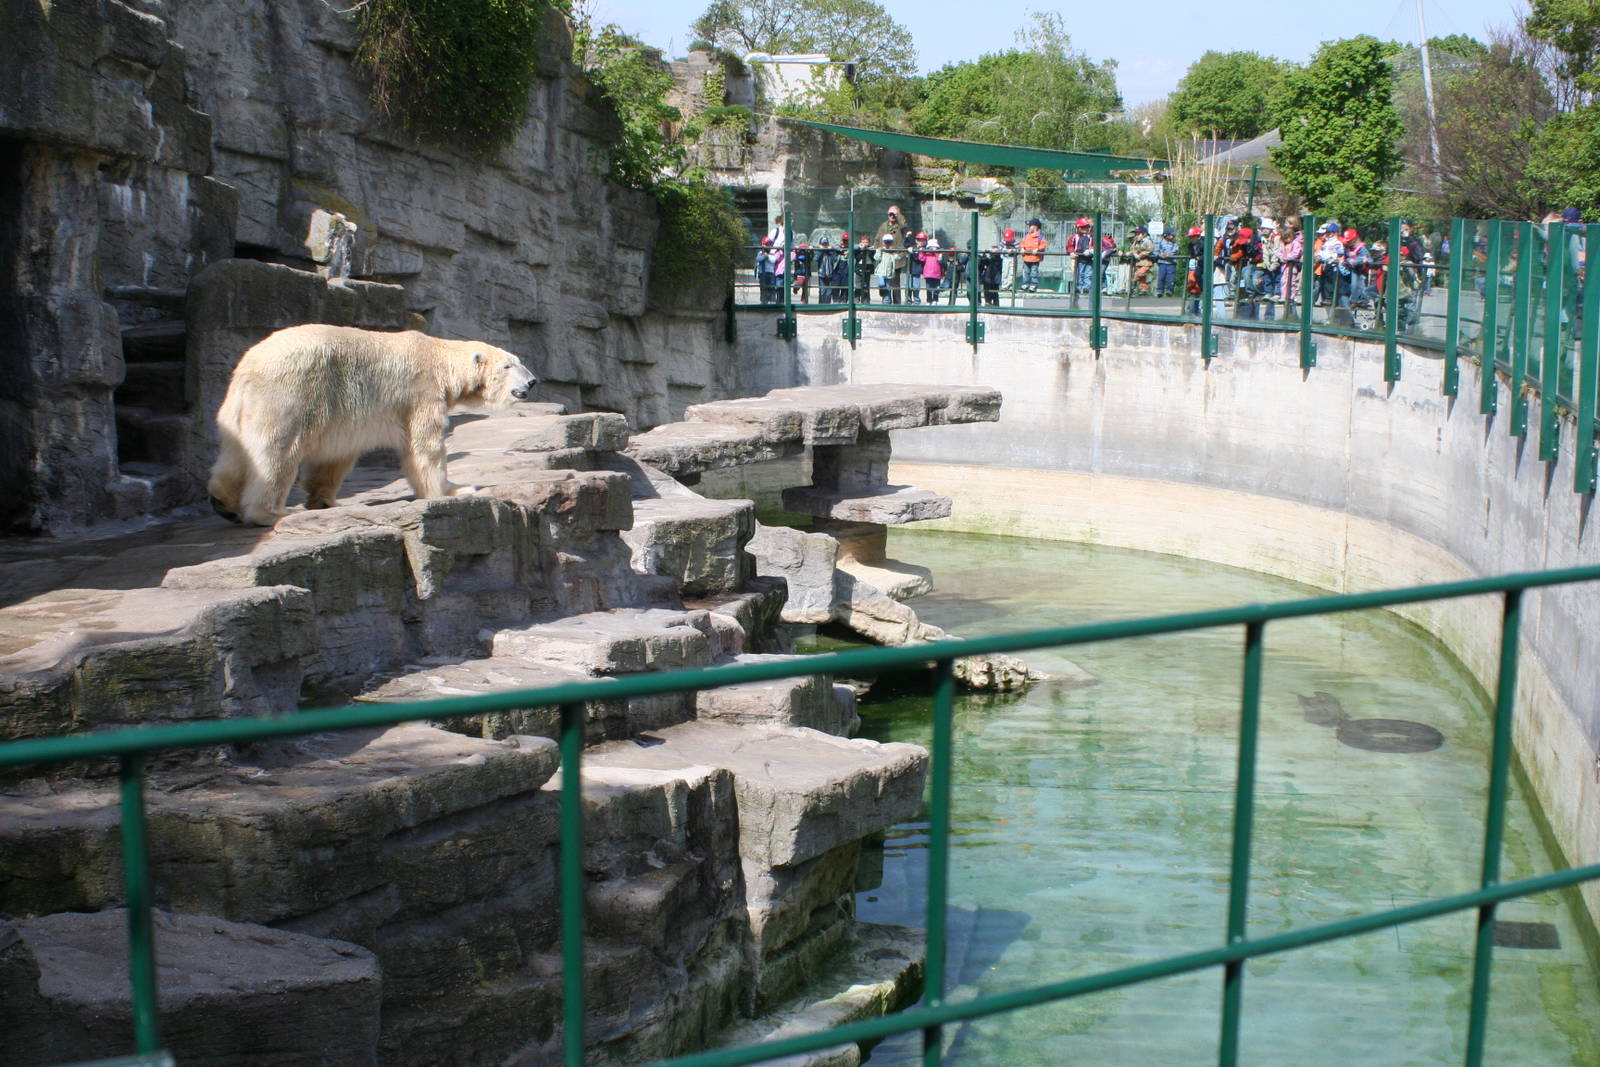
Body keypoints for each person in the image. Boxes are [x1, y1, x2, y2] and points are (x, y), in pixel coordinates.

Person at [1065, 217, 1094, 295]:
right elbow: (1070, 246)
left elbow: (1095, 246)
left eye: (1086, 227)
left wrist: (1091, 251)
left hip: (1089, 259)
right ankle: (1078, 288)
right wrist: (1071, 252)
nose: (1085, 229)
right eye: (1083, 227)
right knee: (1079, 274)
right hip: (1078, 259)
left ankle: (1086, 288)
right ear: (1078, 228)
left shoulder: (1091, 237)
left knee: (1088, 274)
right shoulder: (1074, 237)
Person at [874, 234, 904, 304]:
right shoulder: (881, 251)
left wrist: (902, 252)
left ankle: (886, 301)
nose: (887, 243)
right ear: (883, 242)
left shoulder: (892, 253)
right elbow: (876, 258)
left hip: (889, 273)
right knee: (881, 284)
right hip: (881, 273)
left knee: (888, 287)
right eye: (886, 241)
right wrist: (879, 251)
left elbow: (898, 257)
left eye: (889, 242)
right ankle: (882, 293)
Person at [1278, 222, 1304, 306]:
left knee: (1292, 282)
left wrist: (1286, 257)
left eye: (1288, 238)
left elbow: (1296, 254)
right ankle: (1284, 296)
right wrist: (1281, 257)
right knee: (1283, 281)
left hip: (1292, 266)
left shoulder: (1296, 243)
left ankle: (1291, 297)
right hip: (1285, 266)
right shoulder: (1283, 244)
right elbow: (1280, 252)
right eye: (1285, 238)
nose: (1287, 240)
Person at [1022, 218, 1049, 293]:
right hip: (1026, 258)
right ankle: (1025, 284)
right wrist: (1022, 248)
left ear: (1036, 227)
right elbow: (1022, 243)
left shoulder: (1040, 237)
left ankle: (1033, 285)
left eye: (1030, 226)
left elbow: (1043, 245)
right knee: (1026, 272)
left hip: (1035, 258)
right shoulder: (1026, 236)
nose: (1029, 227)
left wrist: (1037, 249)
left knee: (1034, 272)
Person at [1127, 226, 1155, 296]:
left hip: (1146, 261)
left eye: (1139, 233)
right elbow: (1132, 248)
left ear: (1144, 234)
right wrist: (1132, 252)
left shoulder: (1148, 241)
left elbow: (1150, 250)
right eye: (1136, 234)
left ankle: (1132, 286)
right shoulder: (1136, 241)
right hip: (1138, 262)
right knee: (1142, 277)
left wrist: (1141, 254)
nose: (1137, 235)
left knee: (1138, 274)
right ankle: (1143, 290)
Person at [1154, 228, 1179, 298]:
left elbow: (1175, 250)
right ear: (1166, 235)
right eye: (1171, 235)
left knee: (1171, 278)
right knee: (1161, 277)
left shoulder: (1174, 244)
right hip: (1162, 263)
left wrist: (1169, 255)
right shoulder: (1160, 243)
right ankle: (1160, 291)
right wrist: (1159, 255)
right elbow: (1155, 251)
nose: (1173, 236)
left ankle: (1169, 290)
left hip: (1171, 263)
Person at [815, 238, 840, 304]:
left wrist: (830, 251)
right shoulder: (819, 251)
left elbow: (835, 259)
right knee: (822, 290)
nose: (824, 245)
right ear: (820, 244)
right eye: (823, 244)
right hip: (822, 273)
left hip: (830, 273)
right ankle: (821, 304)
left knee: (829, 291)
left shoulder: (830, 251)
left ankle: (827, 304)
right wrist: (821, 250)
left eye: (826, 244)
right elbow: (816, 259)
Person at [999, 227, 1021, 296]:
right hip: (1005, 258)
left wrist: (1012, 250)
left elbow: (1018, 250)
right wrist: (1005, 250)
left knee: (1012, 273)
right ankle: (1004, 286)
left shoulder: (1015, 242)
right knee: (1005, 272)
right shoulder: (1003, 241)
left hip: (1012, 258)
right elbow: (1000, 248)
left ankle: (1011, 286)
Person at [854, 234, 875, 303]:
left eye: (866, 242)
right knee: (858, 285)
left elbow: (873, 259)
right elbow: (857, 258)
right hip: (859, 268)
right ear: (860, 242)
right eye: (863, 242)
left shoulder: (871, 250)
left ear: (869, 243)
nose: (865, 244)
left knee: (866, 285)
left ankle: (866, 300)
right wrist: (862, 250)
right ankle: (856, 299)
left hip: (868, 268)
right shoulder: (858, 249)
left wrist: (867, 250)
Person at [755, 236, 776, 304]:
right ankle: (764, 302)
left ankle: (772, 302)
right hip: (763, 274)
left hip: (770, 273)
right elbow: (758, 259)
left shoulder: (772, 253)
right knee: (763, 288)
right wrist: (764, 255)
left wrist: (768, 256)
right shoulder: (760, 253)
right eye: (767, 244)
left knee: (771, 288)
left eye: (770, 244)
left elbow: (773, 260)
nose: (769, 246)